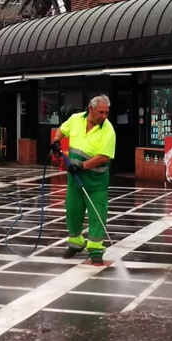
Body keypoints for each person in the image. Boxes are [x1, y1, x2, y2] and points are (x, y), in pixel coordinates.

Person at [51, 95, 115, 266]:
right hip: (75, 179)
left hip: (96, 181)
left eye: (106, 113)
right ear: (91, 109)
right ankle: (76, 243)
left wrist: (81, 166)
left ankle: (95, 249)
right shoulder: (75, 119)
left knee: (97, 215)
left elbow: (103, 157)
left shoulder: (108, 130)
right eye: (101, 112)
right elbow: (61, 130)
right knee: (73, 211)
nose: (104, 116)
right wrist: (56, 142)